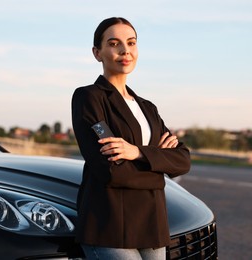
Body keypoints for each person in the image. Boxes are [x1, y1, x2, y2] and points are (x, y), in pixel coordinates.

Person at [71, 17, 191, 260]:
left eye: (131, 43)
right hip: (110, 227)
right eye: (114, 43)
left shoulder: (148, 108)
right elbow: (110, 170)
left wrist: (137, 153)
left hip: (151, 225)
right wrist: (160, 167)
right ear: (97, 53)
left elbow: (183, 161)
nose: (125, 50)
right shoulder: (89, 98)